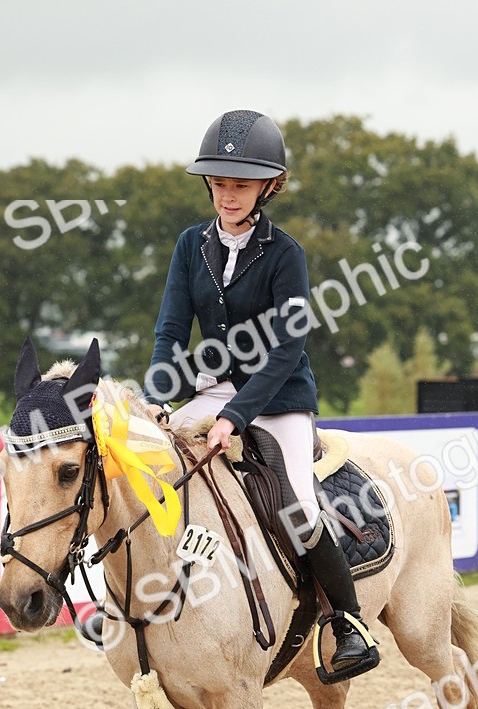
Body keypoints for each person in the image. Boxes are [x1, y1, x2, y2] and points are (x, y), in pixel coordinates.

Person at [144, 109, 376, 677]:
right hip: (210, 391)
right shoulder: (187, 246)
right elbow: (172, 331)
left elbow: (286, 350)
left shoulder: (285, 255)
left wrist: (237, 418)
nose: (228, 195)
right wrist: (158, 392)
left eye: (241, 185)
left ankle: (348, 625)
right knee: (154, 470)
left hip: (279, 400)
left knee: (296, 505)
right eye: (220, 183)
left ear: (268, 186)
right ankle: (145, 603)